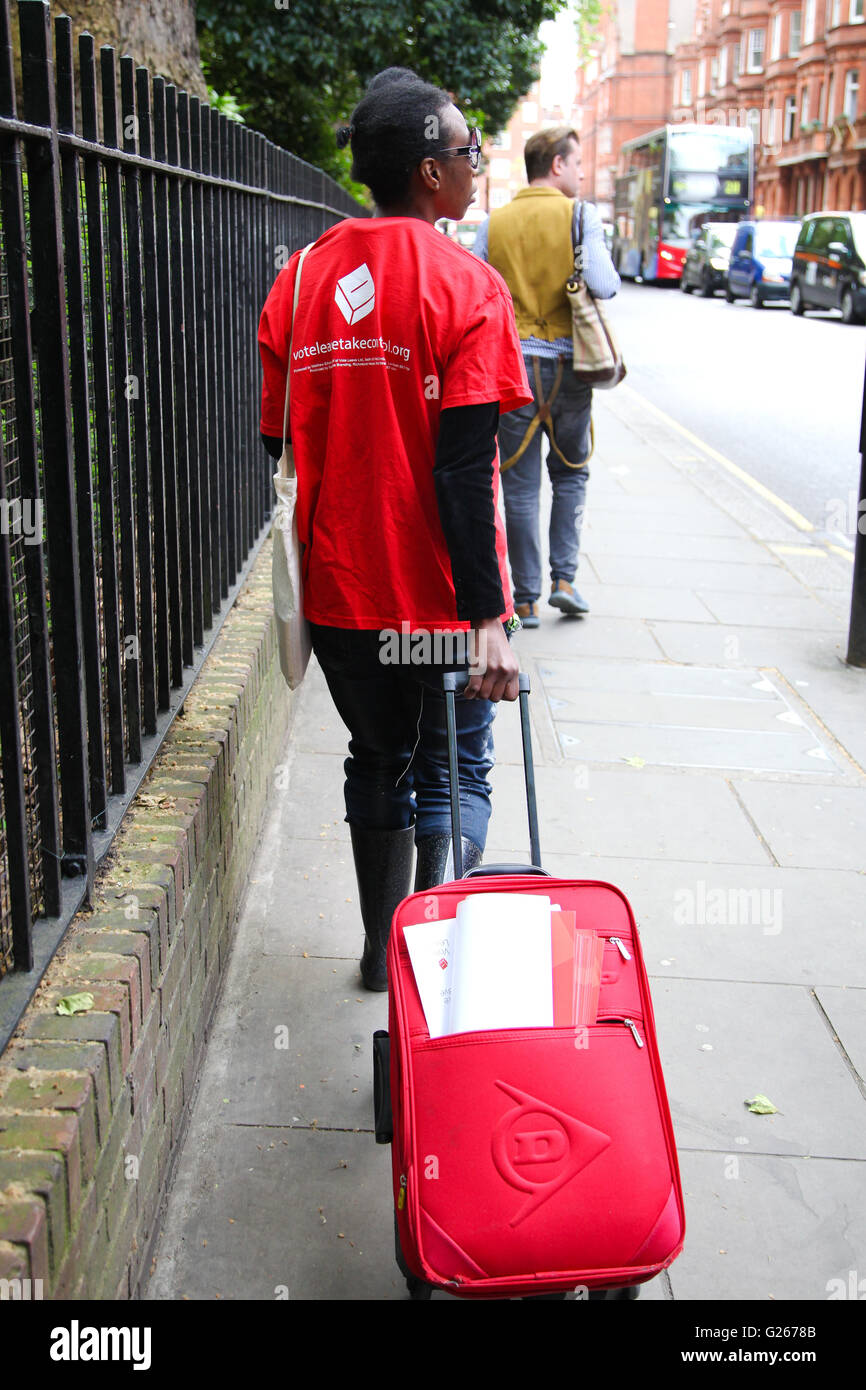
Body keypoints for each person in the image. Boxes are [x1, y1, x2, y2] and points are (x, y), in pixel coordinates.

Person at [258, 72, 533, 990]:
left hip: (341, 590)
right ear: (428, 172)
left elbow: (278, 438)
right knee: (453, 772)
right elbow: (463, 470)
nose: (476, 165)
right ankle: (434, 974)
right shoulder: (470, 287)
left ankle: (380, 952)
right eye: (467, 152)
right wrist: (489, 615)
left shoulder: (297, 281)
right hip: (436, 597)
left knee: (376, 757)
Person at [473, 126, 620, 627]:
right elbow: (604, 284)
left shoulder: (496, 223)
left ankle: (527, 599)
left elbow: (473, 288)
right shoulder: (580, 216)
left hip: (511, 369)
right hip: (569, 368)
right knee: (571, 476)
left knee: (518, 485)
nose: (581, 172)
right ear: (556, 165)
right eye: (577, 163)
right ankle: (565, 580)